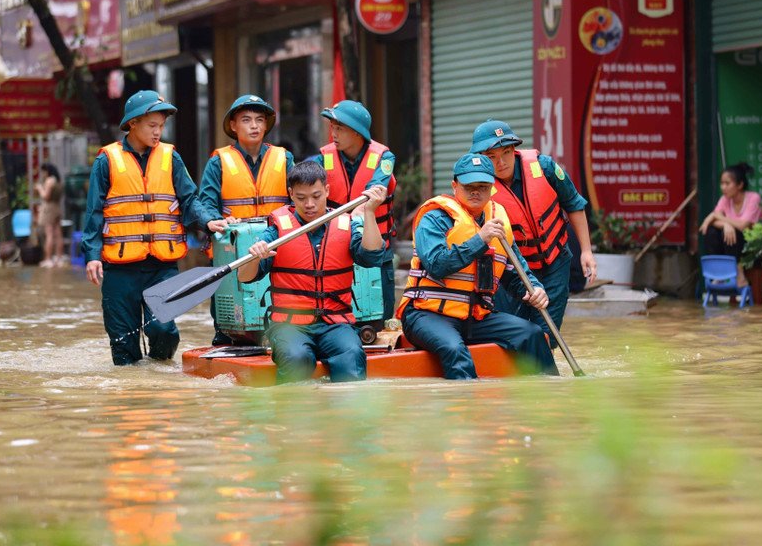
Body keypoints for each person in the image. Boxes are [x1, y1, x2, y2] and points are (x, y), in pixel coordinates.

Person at [82, 90, 227, 365]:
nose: (158, 132)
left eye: (161, 126)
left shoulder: (171, 157)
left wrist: (208, 221)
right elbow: (94, 213)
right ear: (133, 123)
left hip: (161, 266)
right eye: (152, 126)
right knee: (123, 345)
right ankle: (135, 394)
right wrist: (91, 255)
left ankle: (160, 380)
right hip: (119, 269)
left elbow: (189, 200)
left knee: (163, 330)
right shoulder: (106, 160)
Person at [397, 153, 560, 380]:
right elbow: (436, 265)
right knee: (455, 349)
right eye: (469, 186)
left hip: (477, 316)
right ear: (455, 186)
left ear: (492, 188)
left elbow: (516, 273)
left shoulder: (497, 222)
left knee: (532, 334)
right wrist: (479, 240)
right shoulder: (434, 218)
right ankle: (470, 409)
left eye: (482, 186)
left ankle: (551, 397)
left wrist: (534, 289)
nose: (476, 192)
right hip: (426, 315)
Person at [237, 161, 388, 384]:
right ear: (290, 194)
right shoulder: (277, 230)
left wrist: (370, 212)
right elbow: (244, 277)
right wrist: (255, 255)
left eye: (316, 196)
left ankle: (346, 416)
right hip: (290, 325)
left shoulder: (345, 224)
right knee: (297, 357)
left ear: (327, 191)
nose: (309, 204)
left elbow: (372, 257)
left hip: (335, 323)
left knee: (351, 354)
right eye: (301, 198)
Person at [469, 119, 596, 339]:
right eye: (491, 157)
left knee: (546, 333)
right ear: (480, 157)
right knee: (508, 332)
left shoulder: (543, 167)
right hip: (511, 271)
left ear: (514, 150)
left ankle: (542, 366)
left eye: (506, 152)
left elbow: (574, 203)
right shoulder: (476, 185)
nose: (500, 162)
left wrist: (586, 251)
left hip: (554, 263)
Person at [198, 94, 294, 346]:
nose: (254, 126)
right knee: (229, 320)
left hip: (275, 247)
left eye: (259, 120)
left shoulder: (284, 158)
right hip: (233, 250)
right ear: (233, 125)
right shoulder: (218, 161)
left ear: (266, 125)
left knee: (278, 309)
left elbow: (298, 202)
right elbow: (207, 203)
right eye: (246, 120)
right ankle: (226, 345)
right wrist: (212, 220)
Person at [318, 100, 398, 321]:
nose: (333, 133)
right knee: (337, 308)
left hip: (376, 243)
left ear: (357, 133)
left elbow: (377, 187)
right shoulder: (323, 159)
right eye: (332, 127)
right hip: (335, 244)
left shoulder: (384, 157)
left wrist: (362, 209)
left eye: (339, 128)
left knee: (381, 312)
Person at [699, 162, 762, 287]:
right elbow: (713, 221)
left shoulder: (753, 198)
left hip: (752, 248)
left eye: (727, 183)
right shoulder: (725, 199)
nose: (723, 187)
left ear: (740, 185)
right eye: (722, 183)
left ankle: (739, 273)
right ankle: (719, 273)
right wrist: (725, 224)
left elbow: (743, 226)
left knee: (731, 232)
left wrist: (717, 217)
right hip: (731, 247)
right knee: (712, 232)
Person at [35, 163, 65, 267]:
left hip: (49, 209)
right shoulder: (59, 180)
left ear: (46, 171)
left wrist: (39, 189)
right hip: (57, 207)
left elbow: (46, 196)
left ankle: (48, 259)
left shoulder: (49, 181)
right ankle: (58, 258)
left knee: (49, 234)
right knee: (58, 234)